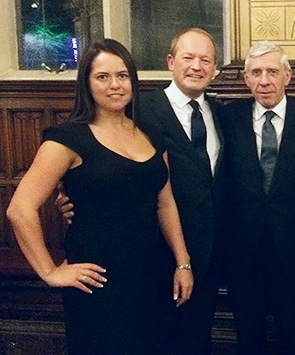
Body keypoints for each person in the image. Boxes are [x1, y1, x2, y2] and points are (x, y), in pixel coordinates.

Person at [5, 38, 193, 354]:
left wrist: (182, 262)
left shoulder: (149, 132)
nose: (115, 85)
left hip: (150, 274)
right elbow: (20, 209)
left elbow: (165, 202)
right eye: (102, 77)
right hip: (98, 280)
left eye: (122, 76)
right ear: (87, 84)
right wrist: (50, 272)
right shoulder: (68, 139)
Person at [56, 28, 226, 354]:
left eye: (206, 60)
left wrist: (187, 261)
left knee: (194, 340)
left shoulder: (223, 113)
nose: (197, 66)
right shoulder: (137, 109)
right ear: (170, 62)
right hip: (142, 258)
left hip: (201, 257)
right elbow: (88, 170)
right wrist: (67, 200)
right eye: (188, 57)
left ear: (215, 67)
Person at [219, 41, 295, 355]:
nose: (264, 80)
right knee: (248, 331)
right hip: (242, 245)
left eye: (272, 71)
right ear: (245, 78)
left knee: (293, 328)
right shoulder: (229, 117)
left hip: (293, 243)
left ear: (288, 76)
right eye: (256, 72)